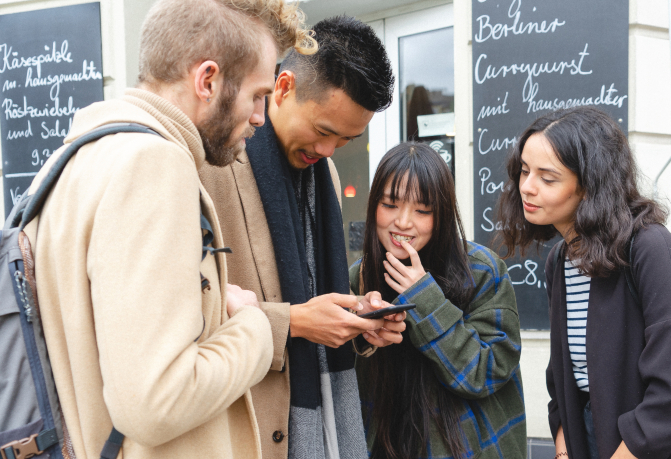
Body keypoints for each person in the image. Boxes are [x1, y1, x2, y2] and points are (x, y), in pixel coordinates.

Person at [24, 1, 315, 458]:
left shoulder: (74, 160)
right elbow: (155, 401)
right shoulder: (154, 165)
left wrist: (216, 309)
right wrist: (254, 327)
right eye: (257, 94)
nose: (261, 116)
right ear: (208, 80)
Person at [199, 15, 403, 459]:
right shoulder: (213, 163)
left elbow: (313, 291)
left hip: (327, 426)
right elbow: (177, 313)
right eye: (324, 130)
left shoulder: (322, 171)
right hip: (245, 425)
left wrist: (357, 318)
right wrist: (292, 322)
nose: (329, 151)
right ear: (284, 87)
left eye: (346, 140)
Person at [497, 106, 671, 459]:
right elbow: (562, 375)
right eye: (525, 171)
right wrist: (562, 449)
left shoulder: (649, 247)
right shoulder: (559, 261)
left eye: (548, 178)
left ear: (590, 187)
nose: (527, 187)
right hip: (586, 438)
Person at [349, 142, 527, 458]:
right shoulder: (359, 276)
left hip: (459, 448)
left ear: (441, 214)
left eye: (422, 210)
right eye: (390, 204)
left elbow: (485, 373)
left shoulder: (481, 270)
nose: (403, 222)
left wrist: (424, 297)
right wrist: (361, 333)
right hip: (384, 444)